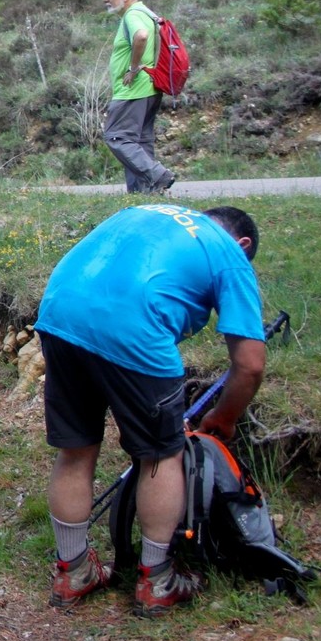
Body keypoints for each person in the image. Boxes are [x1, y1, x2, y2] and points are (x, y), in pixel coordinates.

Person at [34, 203, 265, 616]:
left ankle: (73, 571)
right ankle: (157, 580)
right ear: (243, 243)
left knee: (76, 449)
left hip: (60, 312)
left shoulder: (149, 213)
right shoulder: (228, 252)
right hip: (134, 329)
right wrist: (224, 418)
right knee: (160, 455)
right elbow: (249, 365)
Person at [95, 0, 175, 193]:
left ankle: (158, 175)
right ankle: (143, 194)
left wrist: (132, 69)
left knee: (117, 137)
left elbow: (141, 36)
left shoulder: (133, 15)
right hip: (149, 88)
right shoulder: (145, 13)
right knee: (139, 142)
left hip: (133, 90)